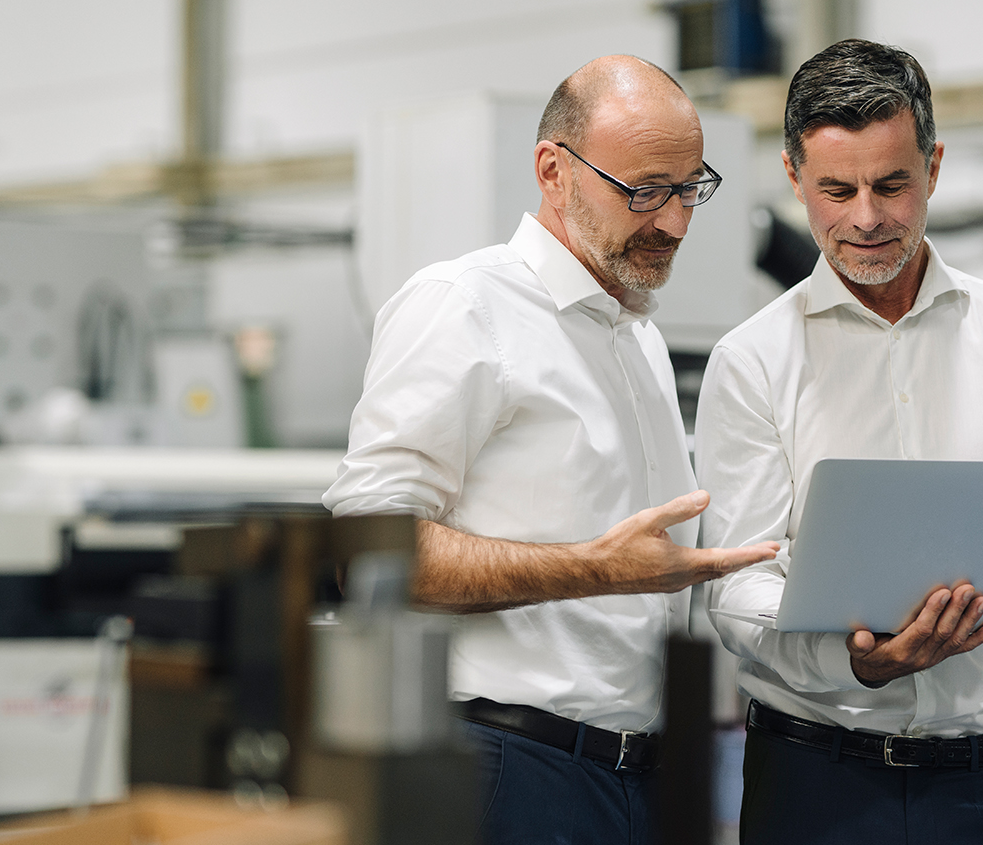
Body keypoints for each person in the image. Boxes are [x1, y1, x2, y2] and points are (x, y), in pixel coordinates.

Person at [323, 54, 778, 844]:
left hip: (639, 777)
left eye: (687, 189)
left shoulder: (634, 337)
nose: (671, 221)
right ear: (553, 170)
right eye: (642, 190)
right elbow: (367, 551)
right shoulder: (466, 306)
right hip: (511, 768)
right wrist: (594, 568)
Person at [696, 39, 983, 844]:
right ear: (794, 179)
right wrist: (858, 664)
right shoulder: (752, 361)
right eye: (837, 189)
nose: (865, 217)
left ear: (933, 167)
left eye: (892, 184)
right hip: (814, 785)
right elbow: (734, 592)